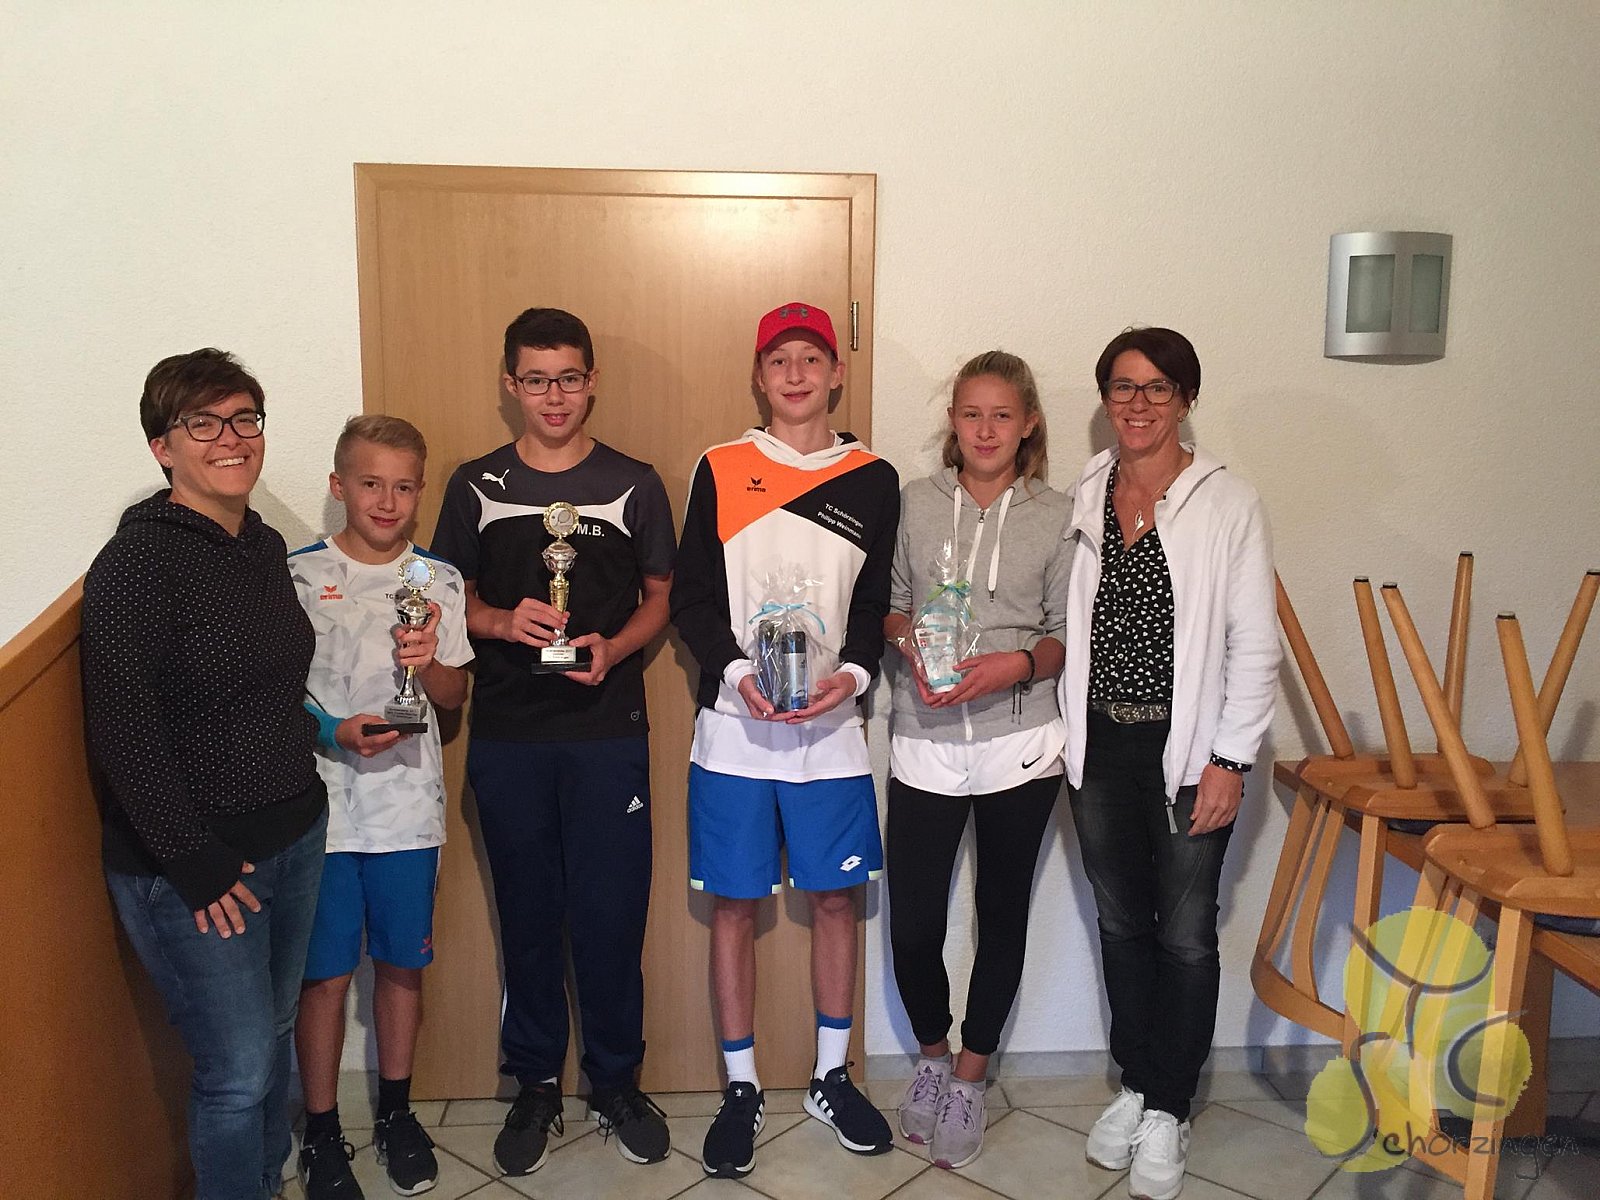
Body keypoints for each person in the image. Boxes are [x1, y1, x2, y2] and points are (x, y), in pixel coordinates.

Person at [430, 307, 676, 1175]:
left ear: (591, 379)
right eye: (536, 380)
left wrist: (617, 647)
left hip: (608, 733)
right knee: (528, 917)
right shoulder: (474, 485)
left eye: (569, 377)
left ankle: (615, 1081)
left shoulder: (635, 482)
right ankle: (535, 1082)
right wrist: (502, 620)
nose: (554, 395)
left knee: (611, 917)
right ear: (512, 385)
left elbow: (660, 595)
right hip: (510, 734)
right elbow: (446, 596)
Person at [82, 349, 328, 1200]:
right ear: (163, 446)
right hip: (199, 867)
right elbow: (123, 731)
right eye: (204, 424)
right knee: (237, 1073)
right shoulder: (136, 564)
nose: (232, 439)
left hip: (294, 834)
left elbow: (268, 690)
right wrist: (196, 863)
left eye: (244, 419)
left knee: (275, 1036)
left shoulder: (260, 544)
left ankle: (262, 1182)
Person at [671, 301, 900, 1179]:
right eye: (779, 360)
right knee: (735, 903)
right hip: (733, 734)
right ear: (759, 376)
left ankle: (831, 1077)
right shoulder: (721, 466)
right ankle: (741, 1085)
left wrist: (856, 676)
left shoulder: (871, 477)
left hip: (832, 732)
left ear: (837, 372)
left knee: (836, 902)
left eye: (812, 358)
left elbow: (876, 603)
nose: (796, 374)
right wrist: (737, 674)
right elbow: (692, 596)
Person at [1061, 328, 1277, 1200]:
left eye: (1158, 388)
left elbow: (1254, 644)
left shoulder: (1227, 502)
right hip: (1099, 746)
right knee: (1120, 924)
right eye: (1123, 386)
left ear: (1185, 399)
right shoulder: (1088, 490)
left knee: (1185, 935)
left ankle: (1170, 1107)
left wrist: (1231, 759)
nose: (1139, 403)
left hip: (1188, 751)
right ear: (1105, 397)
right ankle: (1139, 1082)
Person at [883, 350, 1071, 1170]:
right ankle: (932, 1056)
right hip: (924, 737)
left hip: (1021, 744)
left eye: (1001, 415)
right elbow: (891, 606)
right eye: (971, 414)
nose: (986, 430)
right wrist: (911, 644)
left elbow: (1063, 635)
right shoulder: (914, 503)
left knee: (1002, 915)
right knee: (914, 923)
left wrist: (1016, 665)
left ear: (1027, 424)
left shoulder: (1059, 514)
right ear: (952, 423)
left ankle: (970, 1076)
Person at [288, 416, 473, 1198]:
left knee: (401, 966)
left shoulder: (439, 580)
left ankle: (396, 1113)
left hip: (406, 810)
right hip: (321, 814)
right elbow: (275, 694)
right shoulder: (295, 576)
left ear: (420, 491)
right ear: (340, 486)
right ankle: (322, 1130)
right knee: (325, 977)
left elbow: (454, 695)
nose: (387, 501)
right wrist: (331, 729)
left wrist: (428, 664)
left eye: (403, 486)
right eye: (370, 484)